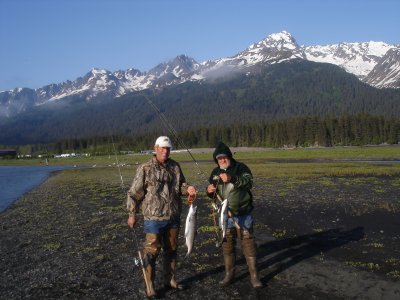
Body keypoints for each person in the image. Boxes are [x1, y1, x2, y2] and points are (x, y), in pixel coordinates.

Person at [127, 136, 197, 298]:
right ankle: (150, 286)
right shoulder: (145, 168)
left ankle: (171, 280)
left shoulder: (175, 166)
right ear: (156, 148)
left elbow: (181, 186)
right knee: (151, 251)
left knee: (172, 250)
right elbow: (134, 193)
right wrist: (132, 214)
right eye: (162, 148)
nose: (165, 151)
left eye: (168, 148)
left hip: (173, 217)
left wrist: (188, 189)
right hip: (153, 219)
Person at [206, 142, 262, 288]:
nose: (222, 160)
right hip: (225, 215)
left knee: (248, 244)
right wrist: (209, 191)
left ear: (229, 157)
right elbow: (213, 196)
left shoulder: (241, 167)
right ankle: (229, 275)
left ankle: (254, 277)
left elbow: (248, 182)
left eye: (224, 157)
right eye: (219, 159)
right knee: (227, 246)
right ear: (216, 160)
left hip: (243, 213)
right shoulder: (214, 172)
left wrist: (232, 179)